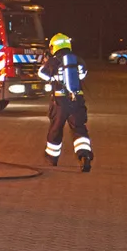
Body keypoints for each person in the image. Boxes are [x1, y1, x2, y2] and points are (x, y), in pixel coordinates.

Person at [38, 33, 93, 172]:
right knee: (79, 129)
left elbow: (42, 74)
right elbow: (83, 75)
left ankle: (52, 158)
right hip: (77, 99)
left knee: (56, 129)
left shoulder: (54, 60)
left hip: (60, 102)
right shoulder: (78, 60)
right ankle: (84, 155)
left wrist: (46, 62)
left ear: (54, 46)